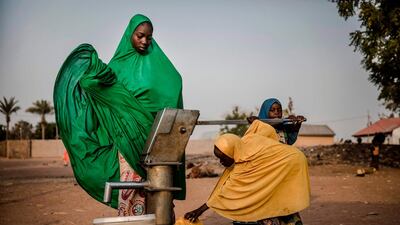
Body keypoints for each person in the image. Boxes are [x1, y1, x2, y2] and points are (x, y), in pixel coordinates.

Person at [53, 14, 184, 216]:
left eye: (149, 37)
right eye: (140, 36)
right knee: (134, 195)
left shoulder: (161, 66)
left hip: (158, 145)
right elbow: (99, 91)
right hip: (127, 145)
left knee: (160, 196)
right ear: (129, 35)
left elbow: (173, 88)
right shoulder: (115, 68)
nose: (144, 41)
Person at [185, 119, 310, 225]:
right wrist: (256, 121)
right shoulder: (248, 139)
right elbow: (262, 128)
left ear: (232, 152)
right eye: (219, 158)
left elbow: (223, 195)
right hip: (293, 159)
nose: (221, 162)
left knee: (270, 203)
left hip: (292, 166)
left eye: (223, 158)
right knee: (277, 199)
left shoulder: (243, 166)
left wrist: (198, 211)